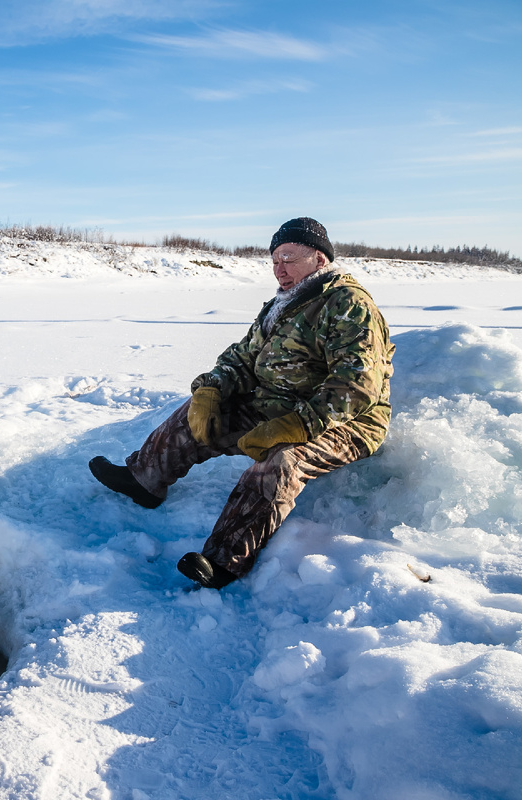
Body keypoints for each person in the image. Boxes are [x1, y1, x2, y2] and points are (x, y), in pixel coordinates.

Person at [89, 218, 394, 590]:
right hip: (278, 404)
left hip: (345, 422)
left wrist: (295, 426)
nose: (279, 269)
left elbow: (357, 385)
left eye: (289, 258)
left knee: (281, 461)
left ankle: (224, 561)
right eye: (274, 260)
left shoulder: (348, 304)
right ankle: (144, 479)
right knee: (197, 414)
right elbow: (243, 358)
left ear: (319, 259)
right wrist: (210, 390)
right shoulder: (282, 303)